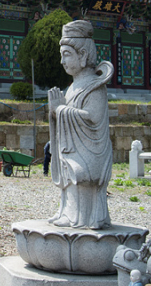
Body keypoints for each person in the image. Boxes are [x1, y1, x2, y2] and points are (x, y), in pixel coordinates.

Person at [47, 20, 114, 229]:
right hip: (72, 149)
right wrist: (54, 111)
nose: (61, 61)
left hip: (89, 153)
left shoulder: (95, 86)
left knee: (80, 180)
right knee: (69, 183)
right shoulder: (73, 87)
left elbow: (92, 118)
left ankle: (84, 218)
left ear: (83, 55)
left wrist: (61, 110)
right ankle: (69, 213)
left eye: (66, 54)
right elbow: (66, 114)